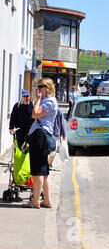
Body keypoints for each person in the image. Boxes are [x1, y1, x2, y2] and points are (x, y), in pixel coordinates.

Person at [22, 78, 58, 209]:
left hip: (40, 136)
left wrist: (37, 99)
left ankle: (36, 201)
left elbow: (35, 114)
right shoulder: (46, 100)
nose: (38, 89)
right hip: (40, 135)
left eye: (41, 86)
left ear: (47, 88)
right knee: (44, 171)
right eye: (37, 86)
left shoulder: (49, 101)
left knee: (37, 171)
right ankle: (47, 200)